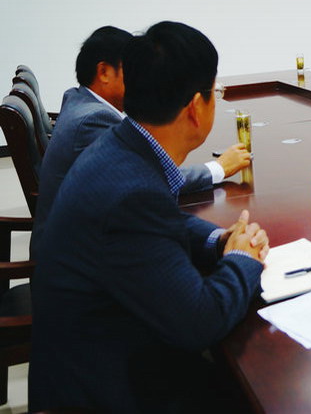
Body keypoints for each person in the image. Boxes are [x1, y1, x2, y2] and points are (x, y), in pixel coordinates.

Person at [29, 21, 269, 412]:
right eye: (214, 92)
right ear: (196, 108)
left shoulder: (120, 145)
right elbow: (200, 321)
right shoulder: (132, 191)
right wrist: (244, 258)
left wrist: (219, 240)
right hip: (105, 389)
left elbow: (157, 223)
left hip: (102, 352)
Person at [31, 26, 251, 258]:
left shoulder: (79, 102)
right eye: (132, 69)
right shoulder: (93, 121)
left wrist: (216, 238)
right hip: (76, 256)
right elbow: (150, 185)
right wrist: (217, 169)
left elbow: (157, 209)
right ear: (104, 72)